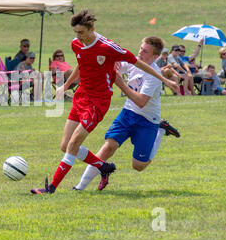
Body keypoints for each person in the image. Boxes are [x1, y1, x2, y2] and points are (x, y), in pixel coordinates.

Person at [30, 9, 178, 195]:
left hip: (97, 103)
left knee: (76, 145)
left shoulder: (108, 47)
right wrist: (66, 86)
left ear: (92, 28)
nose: (78, 37)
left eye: (82, 32)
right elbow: (81, 63)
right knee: (65, 145)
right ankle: (103, 167)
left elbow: (138, 63)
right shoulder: (76, 44)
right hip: (81, 97)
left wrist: (166, 81)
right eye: (76, 32)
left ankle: (51, 188)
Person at [73, 36, 181, 191]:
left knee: (138, 166)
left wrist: (121, 84)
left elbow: (141, 101)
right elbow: (116, 66)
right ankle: (80, 187)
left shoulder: (154, 76)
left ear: (155, 57)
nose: (140, 52)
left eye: (145, 51)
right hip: (128, 113)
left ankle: (161, 130)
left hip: (148, 120)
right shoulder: (133, 62)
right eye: (141, 48)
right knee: (109, 147)